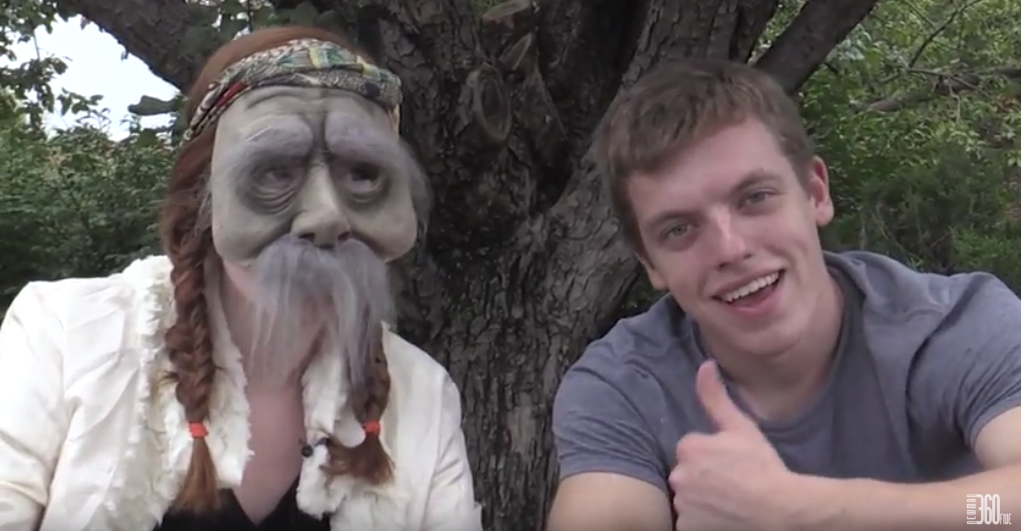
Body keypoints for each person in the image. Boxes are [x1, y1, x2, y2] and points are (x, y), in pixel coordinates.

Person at [0, 26, 482, 531]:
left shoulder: (423, 394)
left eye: (362, 174)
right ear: (203, 197)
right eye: (273, 172)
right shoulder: (66, 336)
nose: (327, 217)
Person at [548, 58, 1021, 531]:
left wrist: (808, 511)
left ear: (815, 193)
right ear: (650, 263)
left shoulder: (957, 328)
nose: (731, 249)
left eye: (755, 198)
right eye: (679, 229)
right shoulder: (622, 386)